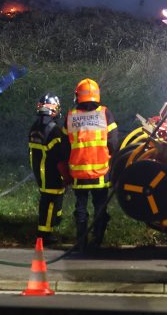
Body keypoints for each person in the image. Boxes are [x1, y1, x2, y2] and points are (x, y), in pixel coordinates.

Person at [66, 78, 118, 252]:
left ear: (78, 96)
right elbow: (114, 142)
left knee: (81, 208)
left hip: (78, 173)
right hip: (100, 173)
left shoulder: (71, 116)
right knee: (100, 206)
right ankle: (97, 240)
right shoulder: (105, 113)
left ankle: (81, 242)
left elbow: (65, 144)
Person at [28, 93, 70, 246]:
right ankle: (45, 234)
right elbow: (60, 158)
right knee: (51, 201)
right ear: (54, 110)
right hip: (52, 172)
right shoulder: (54, 131)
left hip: (40, 171)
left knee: (49, 199)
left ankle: (54, 223)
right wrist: (66, 176)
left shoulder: (34, 127)